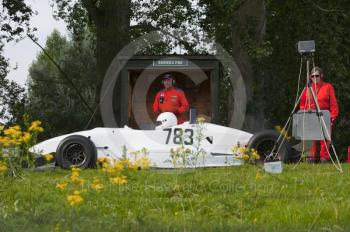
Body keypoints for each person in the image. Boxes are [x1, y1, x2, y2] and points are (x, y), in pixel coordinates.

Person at [299, 66, 339, 163]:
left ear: (321, 76)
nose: (315, 78)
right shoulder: (307, 89)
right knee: (310, 138)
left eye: (317, 75)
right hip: (310, 115)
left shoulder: (328, 87)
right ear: (310, 77)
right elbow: (302, 104)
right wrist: (304, 113)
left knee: (325, 139)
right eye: (312, 76)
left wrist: (333, 117)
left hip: (324, 115)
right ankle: (311, 158)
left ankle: (324, 159)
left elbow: (333, 104)